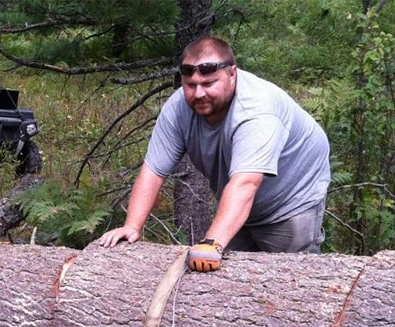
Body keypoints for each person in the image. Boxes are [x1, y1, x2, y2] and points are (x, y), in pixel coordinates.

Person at [98, 36, 331, 272]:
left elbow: (246, 184)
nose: (198, 94)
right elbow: (153, 171)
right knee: (227, 283)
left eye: (209, 84)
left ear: (232, 74)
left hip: (291, 202)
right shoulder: (178, 108)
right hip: (240, 202)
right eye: (190, 85)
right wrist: (132, 225)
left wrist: (212, 243)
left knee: (288, 283)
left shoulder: (256, 111)